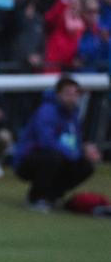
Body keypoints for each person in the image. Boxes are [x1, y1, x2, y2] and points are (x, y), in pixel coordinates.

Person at [12, 76, 101, 212]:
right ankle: (35, 198)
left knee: (86, 166)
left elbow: (75, 139)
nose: (72, 98)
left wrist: (83, 150)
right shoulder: (47, 111)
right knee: (53, 158)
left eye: (74, 94)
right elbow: (46, 142)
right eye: (67, 94)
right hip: (27, 160)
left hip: (60, 156)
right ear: (57, 94)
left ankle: (51, 197)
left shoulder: (72, 114)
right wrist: (73, 154)